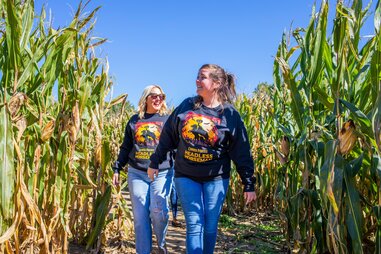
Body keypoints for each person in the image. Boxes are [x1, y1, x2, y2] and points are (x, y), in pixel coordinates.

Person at [148, 64, 256, 253]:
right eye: (197, 76)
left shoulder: (230, 115)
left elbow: (241, 150)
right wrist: (155, 161)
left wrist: (248, 182)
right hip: (186, 175)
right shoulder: (187, 106)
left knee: (210, 226)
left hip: (216, 178)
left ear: (217, 83)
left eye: (202, 77)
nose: (197, 80)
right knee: (195, 224)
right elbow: (168, 135)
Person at [112, 85, 173, 254]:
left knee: (158, 212)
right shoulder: (134, 121)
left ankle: (161, 247)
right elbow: (126, 147)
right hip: (137, 172)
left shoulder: (168, 120)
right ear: (145, 98)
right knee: (140, 218)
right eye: (153, 96)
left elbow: (175, 146)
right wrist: (117, 168)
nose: (158, 99)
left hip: (162, 172)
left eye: (161, 96)